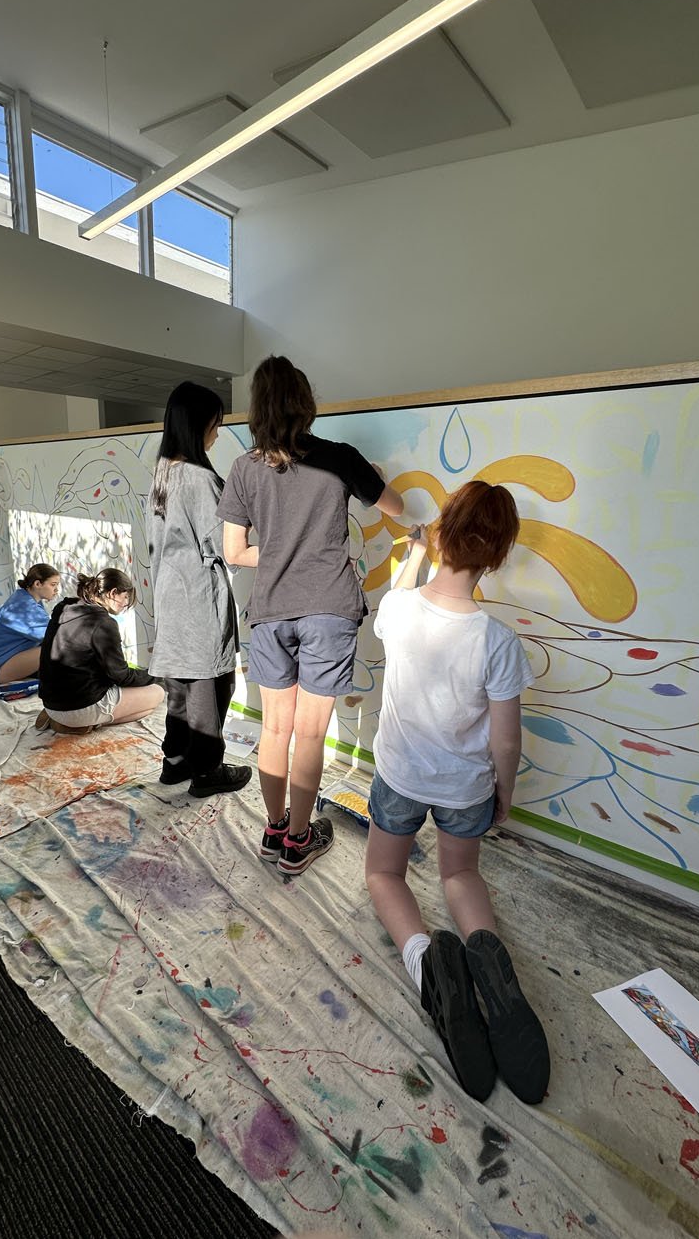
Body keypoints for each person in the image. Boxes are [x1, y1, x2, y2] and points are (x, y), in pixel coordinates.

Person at [364, 482, 550, 1105]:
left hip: (399, 776)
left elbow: (400, 586)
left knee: (385, 876)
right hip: (464, 787)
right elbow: (505, 741)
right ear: (497, 557)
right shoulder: (498, 641)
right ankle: (490, 963)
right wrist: (505, 794)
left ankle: (425, 960)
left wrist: (415, 548)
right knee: (460, 878)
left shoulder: (400, 610)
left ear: (441, 534)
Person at [219, 355, 404, 875]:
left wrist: (278, 549)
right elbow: (395, 505)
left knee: (275, 731)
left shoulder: (243, 468)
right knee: (311, 733)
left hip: (272, 612)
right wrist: (377, 476)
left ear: (258, 409)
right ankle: (300, 840)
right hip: (329, 610)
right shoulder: (339, 457)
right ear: (306, 403)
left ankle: (274, 827)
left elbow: (235, 551)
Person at [148, 382, 252, 799]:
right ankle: (208, 770)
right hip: (197, 600)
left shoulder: (164, 471)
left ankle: (175, 763)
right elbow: (226, 546)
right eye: (215, 423)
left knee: (182, 688)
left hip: (172, 598)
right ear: (198, 424)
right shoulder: (198, 478)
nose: (218, 432)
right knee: (210, 687)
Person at [36, 568, 164, 734]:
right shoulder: (103, 623)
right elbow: (121, 676)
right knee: (157, 694)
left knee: (139, 704)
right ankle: (81, 723)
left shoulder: (64, 607)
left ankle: (62, 718)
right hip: (78, 707)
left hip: (50, 702)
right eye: (125, 597)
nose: (126, 603)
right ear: (113, 593)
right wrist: (155, 675)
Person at [0, 563, 61, 684]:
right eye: (53, 585)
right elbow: (54, 636)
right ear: (37, 584)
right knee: (56, 648)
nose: (56, 590)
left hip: (5, 660)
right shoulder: (24, 606)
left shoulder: (26, 598)